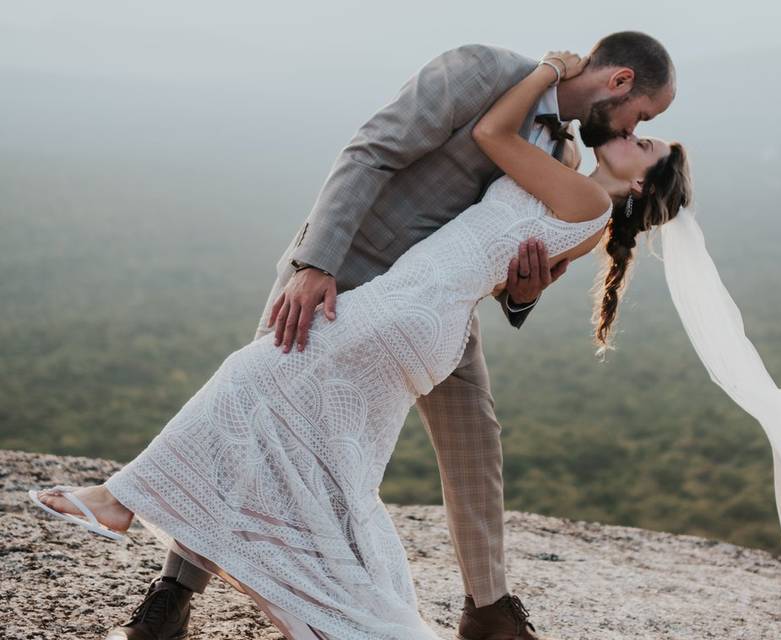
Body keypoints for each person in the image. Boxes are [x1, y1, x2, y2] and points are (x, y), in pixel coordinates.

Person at [29, 39, 690, 638]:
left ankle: (486, 609)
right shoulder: (482, 71)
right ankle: (173, 594)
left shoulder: (568, 157)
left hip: (431, 309)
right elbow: (371, 150)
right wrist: (316, 264)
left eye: (647, 133)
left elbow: (513, 264)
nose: (637, 129)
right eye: (644, 116)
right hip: (345, 269)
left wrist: (522, 291)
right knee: (257, 419)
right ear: (620, 81)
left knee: (471, 438)